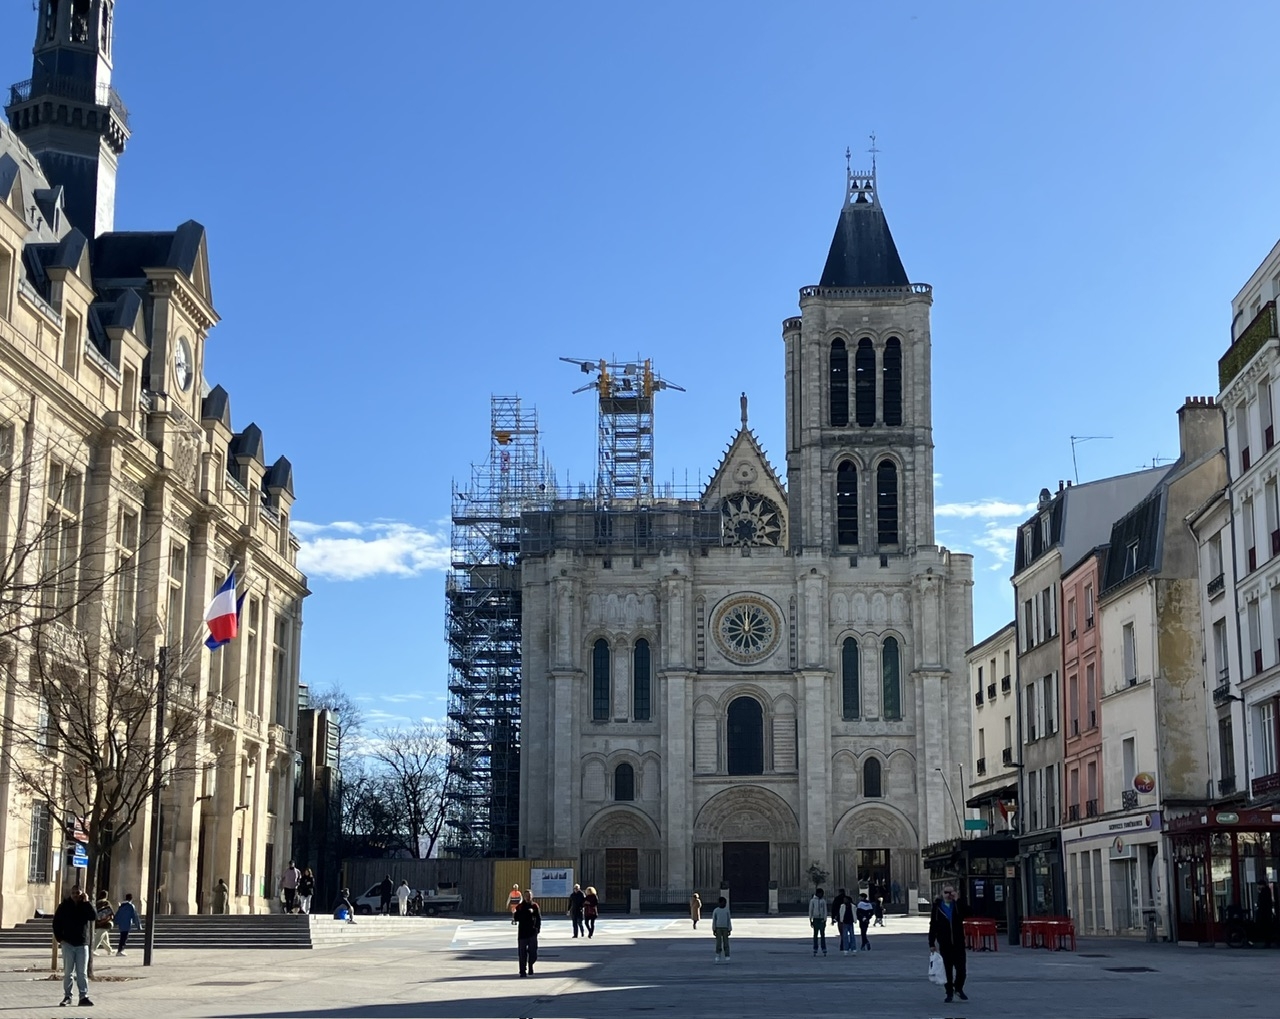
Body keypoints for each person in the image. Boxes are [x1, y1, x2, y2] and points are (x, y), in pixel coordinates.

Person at [53, 888, 96, 1008]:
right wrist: (60, 939)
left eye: (78, 893)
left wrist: (87, 902)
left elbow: (93, 916)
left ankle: (83, 996)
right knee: (68, 972)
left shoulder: (85, 906)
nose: (75, 895)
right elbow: (56, 923)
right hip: (68, 944)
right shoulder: (64, 906)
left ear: (82, 894)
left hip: (82, 944)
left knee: (82, 973)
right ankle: (68, 996)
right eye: (73, 893)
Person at [928, 884, 967, 1004]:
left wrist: (958, 900)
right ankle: (949, 992)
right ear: (942, 894)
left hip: (958, 942)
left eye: (951, 892)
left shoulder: (957, 905)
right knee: (947, 970)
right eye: (946, 892)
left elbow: (968, 913)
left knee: (961, 969)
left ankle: (958, 988)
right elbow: (933, 925)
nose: (949, 895)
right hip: (945, 943)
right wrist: (931, 943)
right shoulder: (937, 908)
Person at [513, 889, 542, 977]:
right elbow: (516, 918)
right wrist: (522, 913)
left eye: (529, 896)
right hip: (522, 933)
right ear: (524, 897)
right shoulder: (520, 907)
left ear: (532, 896)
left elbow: (539, 918)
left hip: (532, 932)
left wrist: (538, 929)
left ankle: (530, 965)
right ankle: (522, 970)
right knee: (522, 953)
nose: (528, 897)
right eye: (526, 896)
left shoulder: (535, 906)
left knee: (533, 952)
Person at [831, 887, 856, 954]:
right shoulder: (848, 899)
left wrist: (833, 918)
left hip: (841, 919)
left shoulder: (837, 899)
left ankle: (843, 945)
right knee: (851, 934)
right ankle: (849, 946)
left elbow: (834, 909)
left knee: (843, 933)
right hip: (849, 919)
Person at [92, 890, 115, 955]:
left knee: (105, 938)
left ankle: (109, 950)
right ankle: (93, 949)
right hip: (105, 923)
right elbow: (110, 912)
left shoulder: (96, 903)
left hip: (98, 922)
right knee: (99, 937)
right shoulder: (106, 902)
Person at [711, 895, 732, 963]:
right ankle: (718, 955)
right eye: (723, 903)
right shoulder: (716, 910)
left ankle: (727, 955)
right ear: (719, 903)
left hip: (725, 928)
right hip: (718, 928)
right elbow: (714, 920)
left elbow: (728, 920)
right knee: (718, 943)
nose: (724, 904)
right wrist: (714, 929)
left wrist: (729, 929)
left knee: (726, 942)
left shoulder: (727, 910)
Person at [808, 886, 828, 956]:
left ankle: (823, 947)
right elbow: (810, 910)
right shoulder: (813, 901)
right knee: (815, 934)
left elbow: (825, 911)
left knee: (822, 934)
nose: (822, 895)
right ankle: (815, 948)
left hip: (821, 919)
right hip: (816, 919)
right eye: (821, 894)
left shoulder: (823, 901)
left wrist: (825, 919)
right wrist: (810, 920)